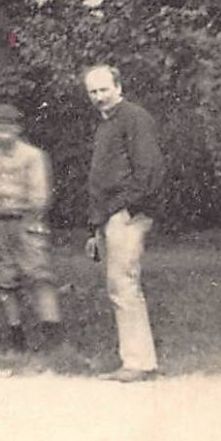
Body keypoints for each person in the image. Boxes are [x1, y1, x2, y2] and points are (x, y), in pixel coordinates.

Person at [83, 64, 165, 382]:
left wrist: (128, 210)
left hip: (128, 213)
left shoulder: (134, 118)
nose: (99, 97)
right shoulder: (106, 125)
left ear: (118, 86)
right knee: (119, 284)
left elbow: (150, 170)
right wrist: (95, 227)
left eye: (104, 89)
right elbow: (100, 180)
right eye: (93, 92)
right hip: (111, 215)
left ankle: (139, 363)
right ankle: (136, 360)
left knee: (124, 284)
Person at [0, 103, 61, 354]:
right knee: (5, 281)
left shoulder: (33, 156)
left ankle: (53, 338)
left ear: (18, 128)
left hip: (27, 222)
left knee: (39, 276)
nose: (2, 132)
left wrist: (29, 220)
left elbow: (40, 196)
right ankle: (16, 337)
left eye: (7, 126)